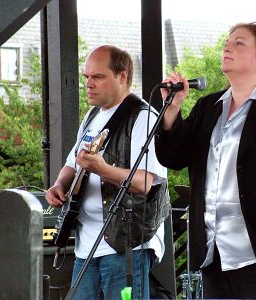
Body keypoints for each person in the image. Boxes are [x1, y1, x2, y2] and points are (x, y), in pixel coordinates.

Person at [155, 22, 256, 299]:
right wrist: (171, 109)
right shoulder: (209, 106)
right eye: (227, 42)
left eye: (239, 42)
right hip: (215, 253)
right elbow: (174, 157)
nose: (227, 46)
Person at [46, 45, 169, 300]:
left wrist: (103, 169)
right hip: (86, 244)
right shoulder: (92, 116)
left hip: (126, 245)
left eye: (97, 77)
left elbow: (145, 182)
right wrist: (59, 184)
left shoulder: (143, 118)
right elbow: (73, 162)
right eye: (86, 77)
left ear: (122, 76)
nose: (89, 84)